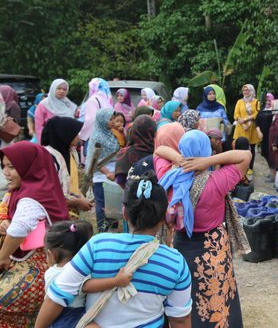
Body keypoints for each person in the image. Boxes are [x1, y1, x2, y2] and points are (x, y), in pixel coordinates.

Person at [37, 175, 192, 328]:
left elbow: (56, 298)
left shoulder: (97, 245)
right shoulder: (176, 263)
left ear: (124, 212)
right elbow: (179, 320)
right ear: (164, 217)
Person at [161, 130, 251, 328]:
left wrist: (180, 159)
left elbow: (158, 150)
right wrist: (207, 160)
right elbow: (246, 155)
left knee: (186, 297)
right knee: (220, 295)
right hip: (214, 250)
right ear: (206, 150)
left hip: (182, 246)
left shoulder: (169, 179)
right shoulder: (217, 180)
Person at [0, 141, 69, 327]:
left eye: (11, 167)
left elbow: (19, 229)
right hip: (38, 261)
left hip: (40, 268)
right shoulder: (30, 188)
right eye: (3, 166)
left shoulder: (32, 195)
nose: (5, 173)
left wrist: (3, 257)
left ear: (27, 166)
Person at [38, 220, 94, 327]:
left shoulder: (53, 272)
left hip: (60, 316)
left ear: (52, 254)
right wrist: (115, 281)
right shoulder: (79, 270)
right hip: (74, 315)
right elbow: (87, 286)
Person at [41, 117, 94, 218]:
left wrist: (81, 199)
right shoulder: (48, 158)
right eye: (75, 134)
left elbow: (72, 183)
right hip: (52, 215)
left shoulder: (70, 153)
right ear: (64, 134)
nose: (79, 137)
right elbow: (48, 197)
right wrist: (76, 202)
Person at [86, 108, 120, 233]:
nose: (112, 122)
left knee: (114, 202)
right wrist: (107, 173)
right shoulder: (97, 136)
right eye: (110, 119)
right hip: (101, 175)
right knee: (102, 204)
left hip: (113, 172)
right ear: (102, 120)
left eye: (112, 119)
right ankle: (103, 229)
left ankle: (114, 228)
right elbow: (95, 160)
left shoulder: (111, 133)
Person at [115, 115, 156, 189]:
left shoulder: (124, 153)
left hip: (130, 197)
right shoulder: (158, 152)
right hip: (154, 197)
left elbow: (120, 180)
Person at [35, 79, 78, 144]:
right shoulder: (44, 104)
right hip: (50, 141)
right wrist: (43, 142)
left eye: (64, 89)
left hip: (67, 141)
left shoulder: (68, 104)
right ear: (53, 88)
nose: (61, 91)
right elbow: (39, 126)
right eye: (59, 88)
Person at [233, 84, 261, 177]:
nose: (245, 92)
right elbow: (236, 115)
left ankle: (250, 168)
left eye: (247, 90)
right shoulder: (239, 102)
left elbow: (257, 113)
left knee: (251, 148)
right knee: (239, 148)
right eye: (244, 90)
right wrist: (242, 121)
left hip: (251, 128)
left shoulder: (256, 102)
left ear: (251, 91)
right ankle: (239, 168)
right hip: (241, 127)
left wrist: (247, 119)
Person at [79, 78, 113, 145]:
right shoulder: (107, 101)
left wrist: (81, 135)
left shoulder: (93, 100)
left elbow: (90, 120)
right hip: (106, 137)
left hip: (93, 138)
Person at [257, 92, 275, 163]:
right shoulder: (262, 110)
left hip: (270, 136)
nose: (267, 102)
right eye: (266, 101)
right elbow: (256, 120)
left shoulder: (274, 110)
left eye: (269, 101)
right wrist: (258, 130)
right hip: (262, 136)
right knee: (264, 154)